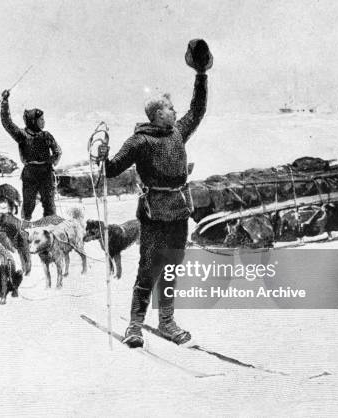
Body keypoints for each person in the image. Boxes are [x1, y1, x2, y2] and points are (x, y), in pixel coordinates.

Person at [97, 39, 212, 348]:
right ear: (159, 114)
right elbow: (111, 170)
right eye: (171, 109)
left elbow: (198, 109)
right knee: (148, 268)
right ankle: (135, 325)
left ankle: (166, 321)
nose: (176, 112)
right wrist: (103, 157)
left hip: (178, 211)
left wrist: (201, 74)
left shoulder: (178, 132)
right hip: (153, 214)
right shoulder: (139, 141)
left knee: (172, 266)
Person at [0, 90, 62, 220]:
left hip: (46, 173)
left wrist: (51, 161)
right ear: (33, 121)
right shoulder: (22, 135)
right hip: (30, 173)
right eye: (41, 120)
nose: (43, 122)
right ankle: (26, 231)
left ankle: (50, 229)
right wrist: (5, 102)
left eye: (43, 119)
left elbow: (57, 151)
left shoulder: (46, 135)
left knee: (50, 206)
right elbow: (7, 123)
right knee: (28, 206)